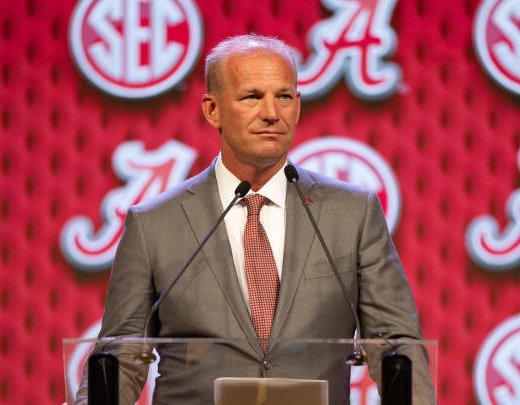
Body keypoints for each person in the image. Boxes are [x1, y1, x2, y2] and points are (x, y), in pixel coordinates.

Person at [77, 34, 433, 404]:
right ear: (212, 109)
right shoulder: (155, 224)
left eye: (283, 97)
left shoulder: (352, 213)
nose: (271, 113)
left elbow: (396, 343)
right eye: (252, 96)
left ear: (297, 105)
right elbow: (120, 355)